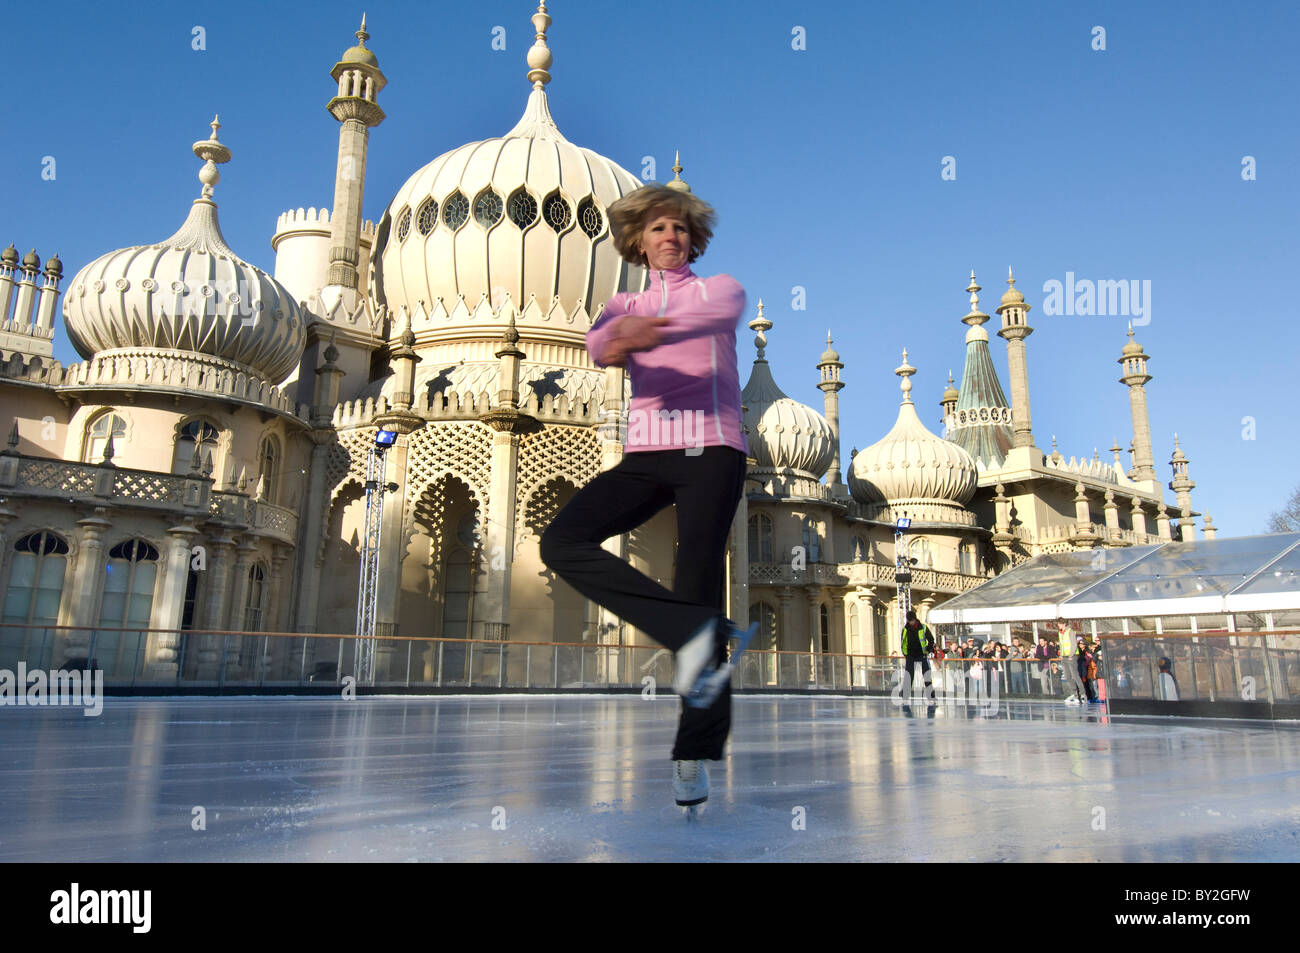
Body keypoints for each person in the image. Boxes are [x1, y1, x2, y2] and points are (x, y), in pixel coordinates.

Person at [539, 183, 749, 812]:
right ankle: (693, 631)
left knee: (698, 581)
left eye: (680, 229)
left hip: (713, 449)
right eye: (658, 229)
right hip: (649, 453)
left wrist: (644, 329)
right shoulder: (619, 302)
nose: (671, 237)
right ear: (637, 240)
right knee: (562, 541)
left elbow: (716, 316)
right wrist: (618, 332)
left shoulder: (719, 289)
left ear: (694, 239)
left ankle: (693, 756)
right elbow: (598, 347)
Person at [899, 609, 935, 699]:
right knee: (909, 675)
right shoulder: (905, 629)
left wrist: (928, 650)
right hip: (910, 655)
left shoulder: (923, 627)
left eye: (912, 620)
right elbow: (903, 642)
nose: (911, 622)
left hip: (921, 654)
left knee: (926, 674)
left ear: (915, 619)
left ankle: (931, 695)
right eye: (909, 621)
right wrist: (905, 653)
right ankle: (905, 695)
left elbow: (931, 640)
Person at [1056, 620, 1086, 705]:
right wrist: (1061, 654)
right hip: (1064, 656)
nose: (1058, 626)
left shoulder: (1070, 631)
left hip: (1071, 656)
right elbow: (1062, 644)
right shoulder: (1060, 632)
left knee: (1075, 675)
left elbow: (1073, 644)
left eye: (1060, 624)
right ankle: (1075, 694)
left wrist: (1071, 654)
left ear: (1064, 624)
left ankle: (1083, 694)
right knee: (1067, 676)